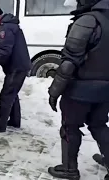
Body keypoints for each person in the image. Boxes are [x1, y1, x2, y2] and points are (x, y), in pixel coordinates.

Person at [47, 0, 109, 179]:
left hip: (80, 90)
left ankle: (69, 169)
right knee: (98, 125)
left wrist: (54, 91)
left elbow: (68, 64)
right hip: (105, 89)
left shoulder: (88, 21)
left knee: (70, 127)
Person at [0, 7, 32, 133]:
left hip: (16, 67)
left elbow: (4, 51)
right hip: (18, 66)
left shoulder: (6, 28)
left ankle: (0, 125)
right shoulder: (8, 26)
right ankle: (15, 121)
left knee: (6, 95)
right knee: (12, 94)